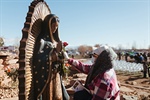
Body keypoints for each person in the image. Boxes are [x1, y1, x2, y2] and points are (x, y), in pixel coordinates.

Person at [32, 14, 69, 100]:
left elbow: (60, 57)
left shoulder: (56, 40)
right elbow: (38, 59)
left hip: (56, 75)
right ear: (47, 25)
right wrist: (55, 54)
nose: (55, 28)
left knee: (58, 96)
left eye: (56, 26)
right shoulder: (42, 41)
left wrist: (61, 57)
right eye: (53, 26)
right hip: (47, 77)